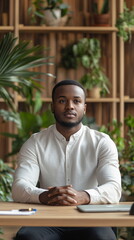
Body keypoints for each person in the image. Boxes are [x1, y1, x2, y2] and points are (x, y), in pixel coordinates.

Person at [12, 79, 121, 240]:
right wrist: (46, 196)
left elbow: (114, 189)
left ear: (84, 108)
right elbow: (19, 187)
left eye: (76, 101)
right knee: (27, 237)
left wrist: (83, 196)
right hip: (47, 219)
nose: (70, 106)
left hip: (90, 220)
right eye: (62, 100)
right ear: (52, 107)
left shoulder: (102, 143)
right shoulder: (35, 143)